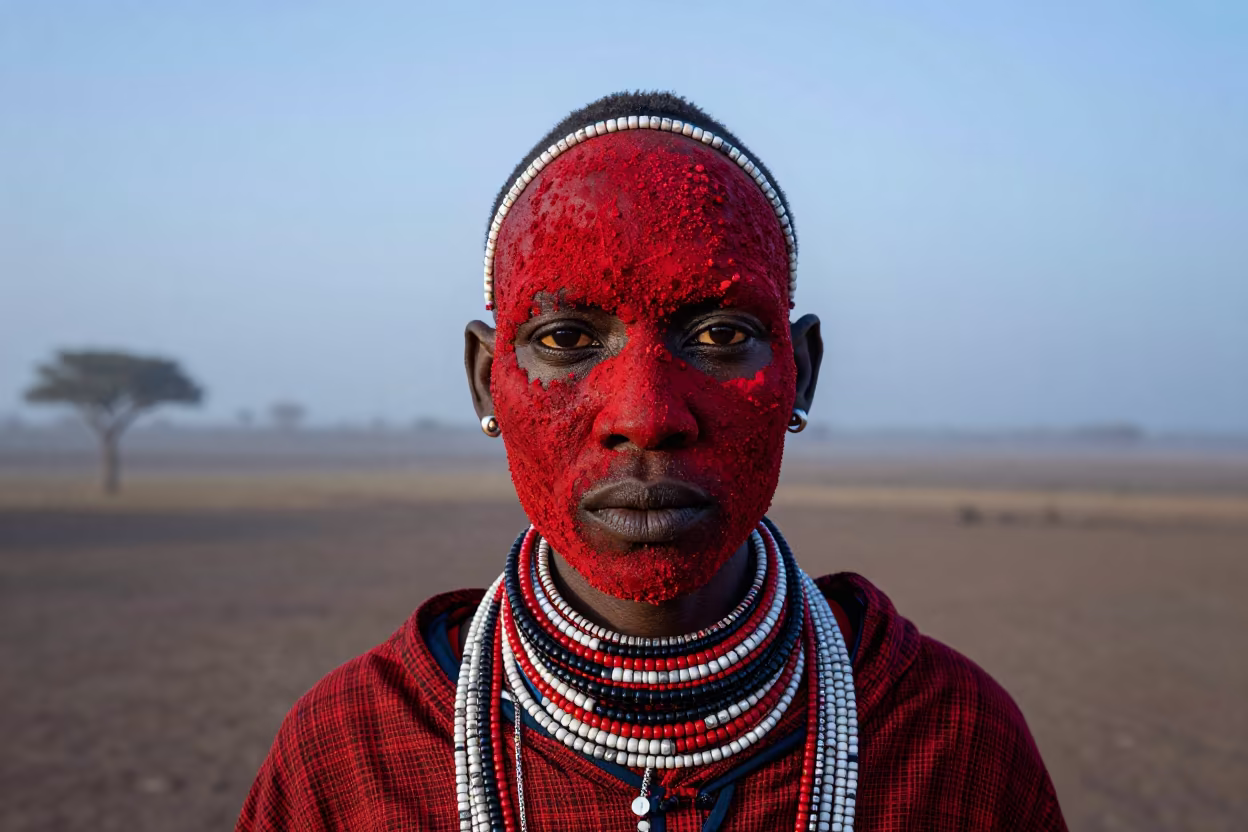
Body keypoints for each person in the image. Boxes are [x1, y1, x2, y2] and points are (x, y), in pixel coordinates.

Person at [237, 91, 1067, 832]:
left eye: (719, 338)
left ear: (800, 371)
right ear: (489, 382)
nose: (647, 418)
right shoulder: (355, 756)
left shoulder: (950, 743)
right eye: (566, 339)